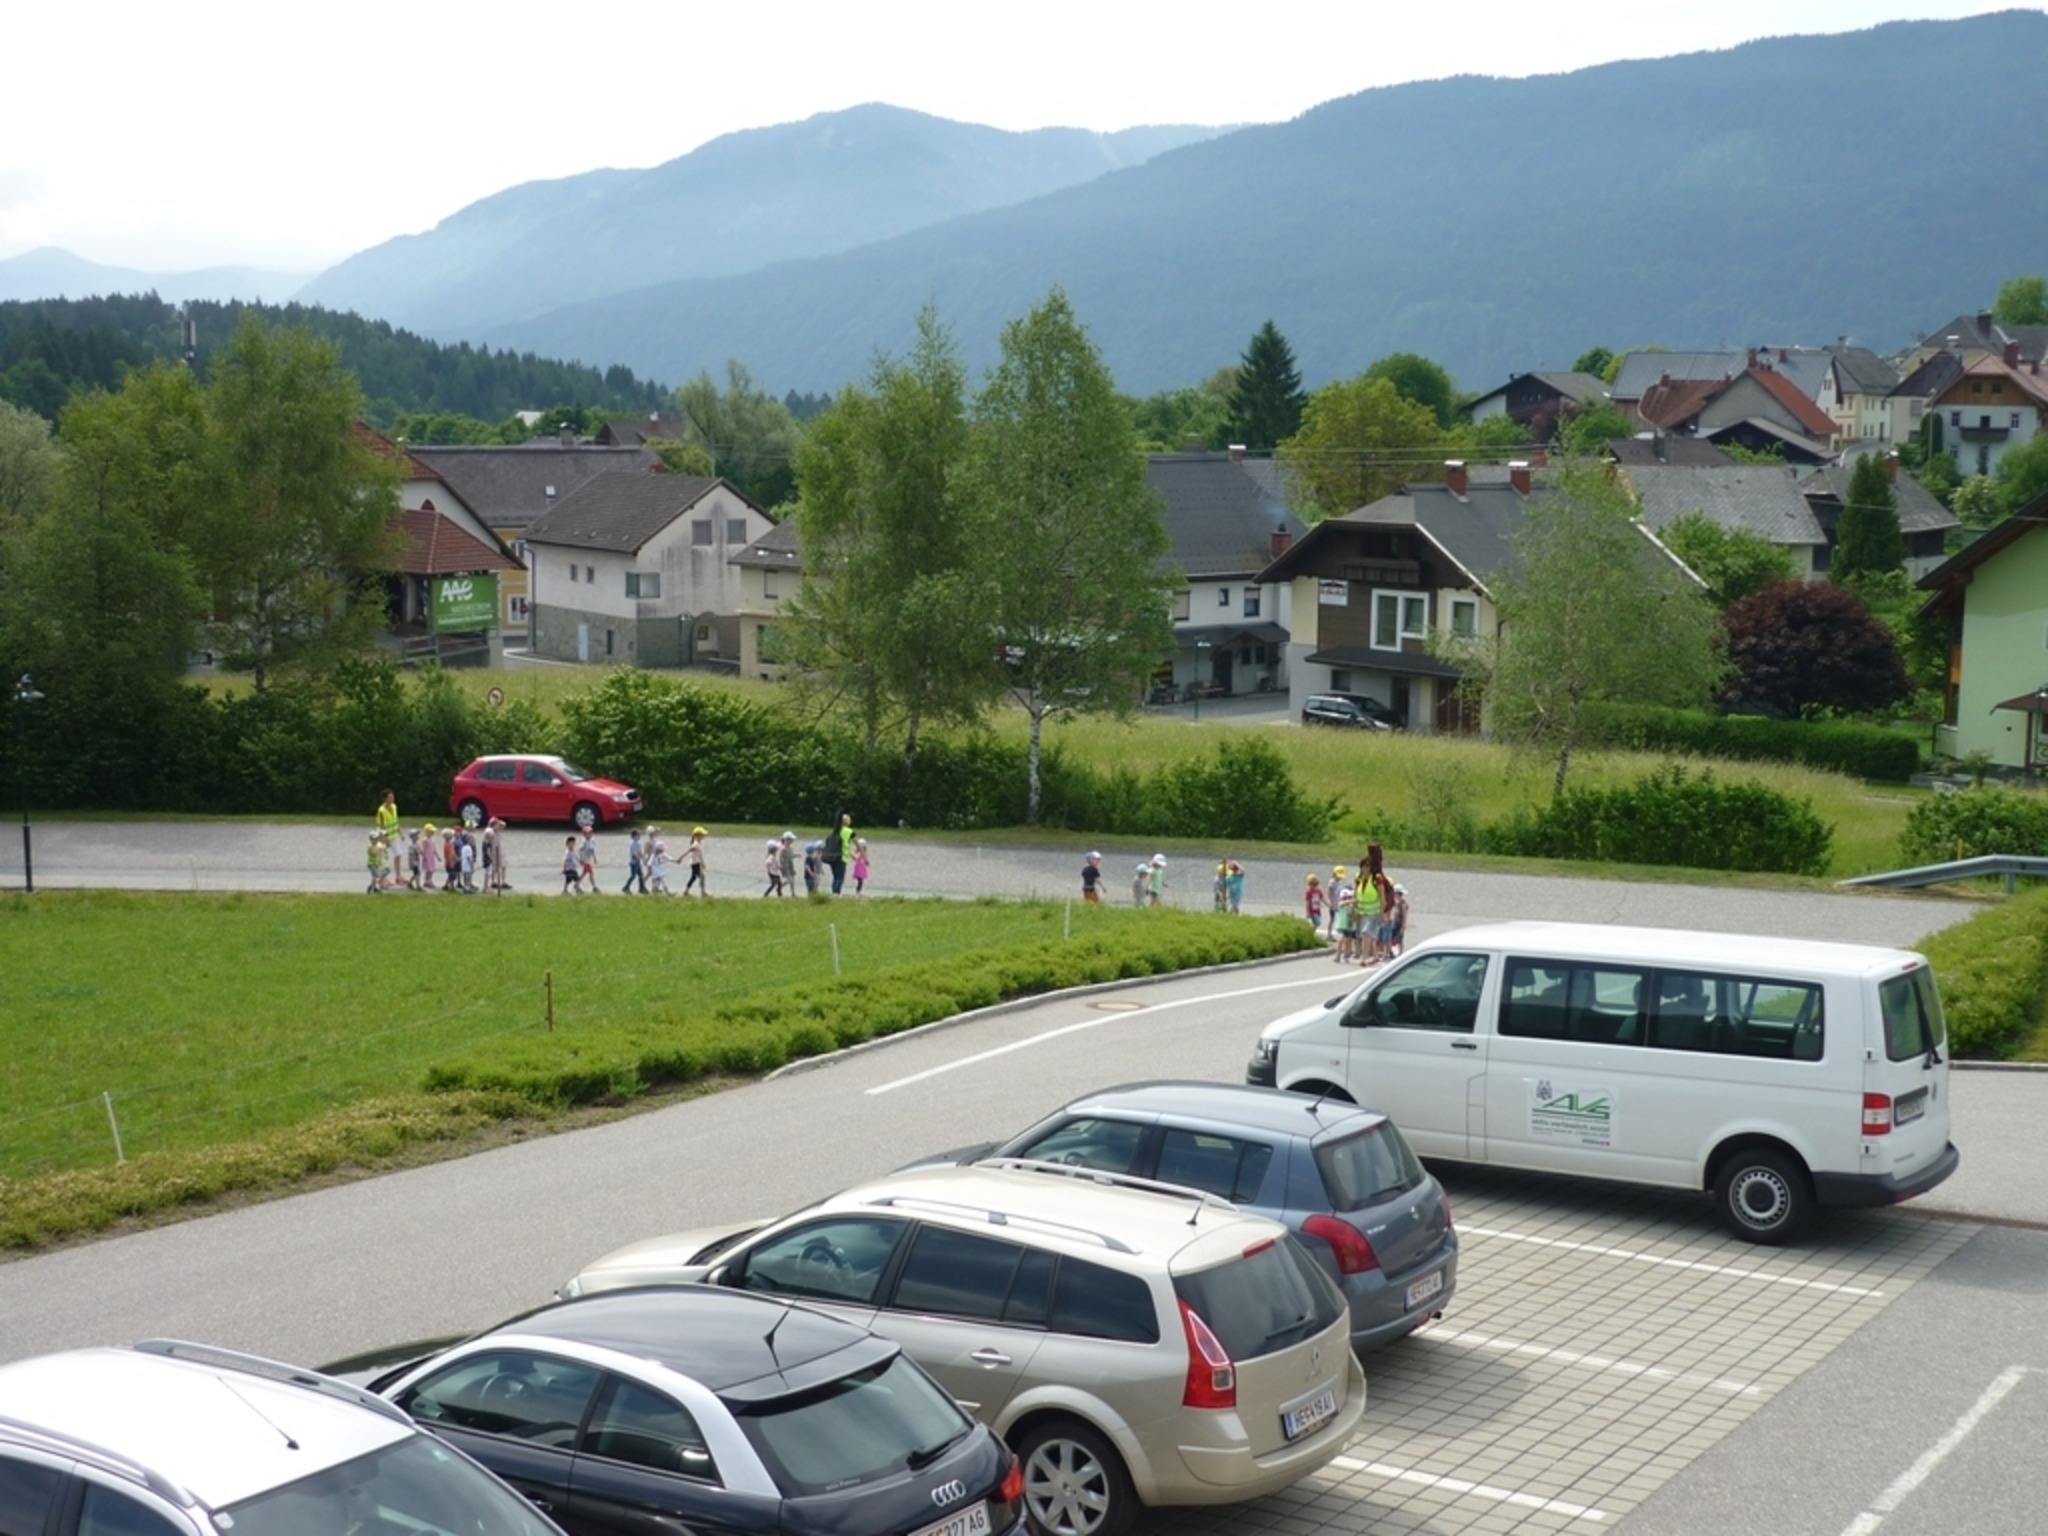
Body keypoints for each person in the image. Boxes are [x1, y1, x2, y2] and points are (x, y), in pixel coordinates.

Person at [825, 812, 854, 895]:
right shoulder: (849, 831)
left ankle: (834, 892)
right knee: (840, 877)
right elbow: (857, 843)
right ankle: (836, 893)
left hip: (832, 856)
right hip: (842, 857)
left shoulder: (835, 831)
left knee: (835, 876)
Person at [681, 827, 709, 897]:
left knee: (693, 877)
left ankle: (686, 891)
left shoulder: (698, 844)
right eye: (702, 835)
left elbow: (700, 854)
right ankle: (703, 892)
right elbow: (687, 851)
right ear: (698, 836)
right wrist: (680, 858)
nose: (704, 836)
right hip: (695, 863)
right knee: (701, 877)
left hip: (696, 863)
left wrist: (702, 863)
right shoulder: (695, 844)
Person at [623, 828, 647, 894]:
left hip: (637, 862)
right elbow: (633, 853)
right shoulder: (632, 843)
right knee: (633, 876)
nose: (639, 836)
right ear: (634, 836)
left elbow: (640, 852)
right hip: (633, 862)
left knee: (641, 875)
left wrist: (643, 858)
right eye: (638, 835)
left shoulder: (638, 843)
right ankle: (626, 887)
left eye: (639, 835)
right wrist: (639, 857)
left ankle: (641, 888)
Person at [419, 823, 441, 890]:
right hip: (427, 857)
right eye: (431, 832)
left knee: (432, 869)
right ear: (427, 832)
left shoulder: (432, 839)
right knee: (428, 870)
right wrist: (424, 856)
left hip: (432, 857)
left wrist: (437, 856)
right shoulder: (425, 840)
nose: (433, 833)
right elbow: (422, 849)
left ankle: (428, 881)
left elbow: (434, 849)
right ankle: (428, 881)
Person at [778, 832, 798, 897]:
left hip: (790, 865)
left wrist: (796, 855)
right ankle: (780, 887)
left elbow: (791, 855)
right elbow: (780, 857)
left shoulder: (790, 848)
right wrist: (780, 865)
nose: (793, 841)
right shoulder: (783, 848)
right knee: (788, 879)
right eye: (791, 839)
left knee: (792, 880)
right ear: (786, 840)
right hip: (785, 866)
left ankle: (793, 893)